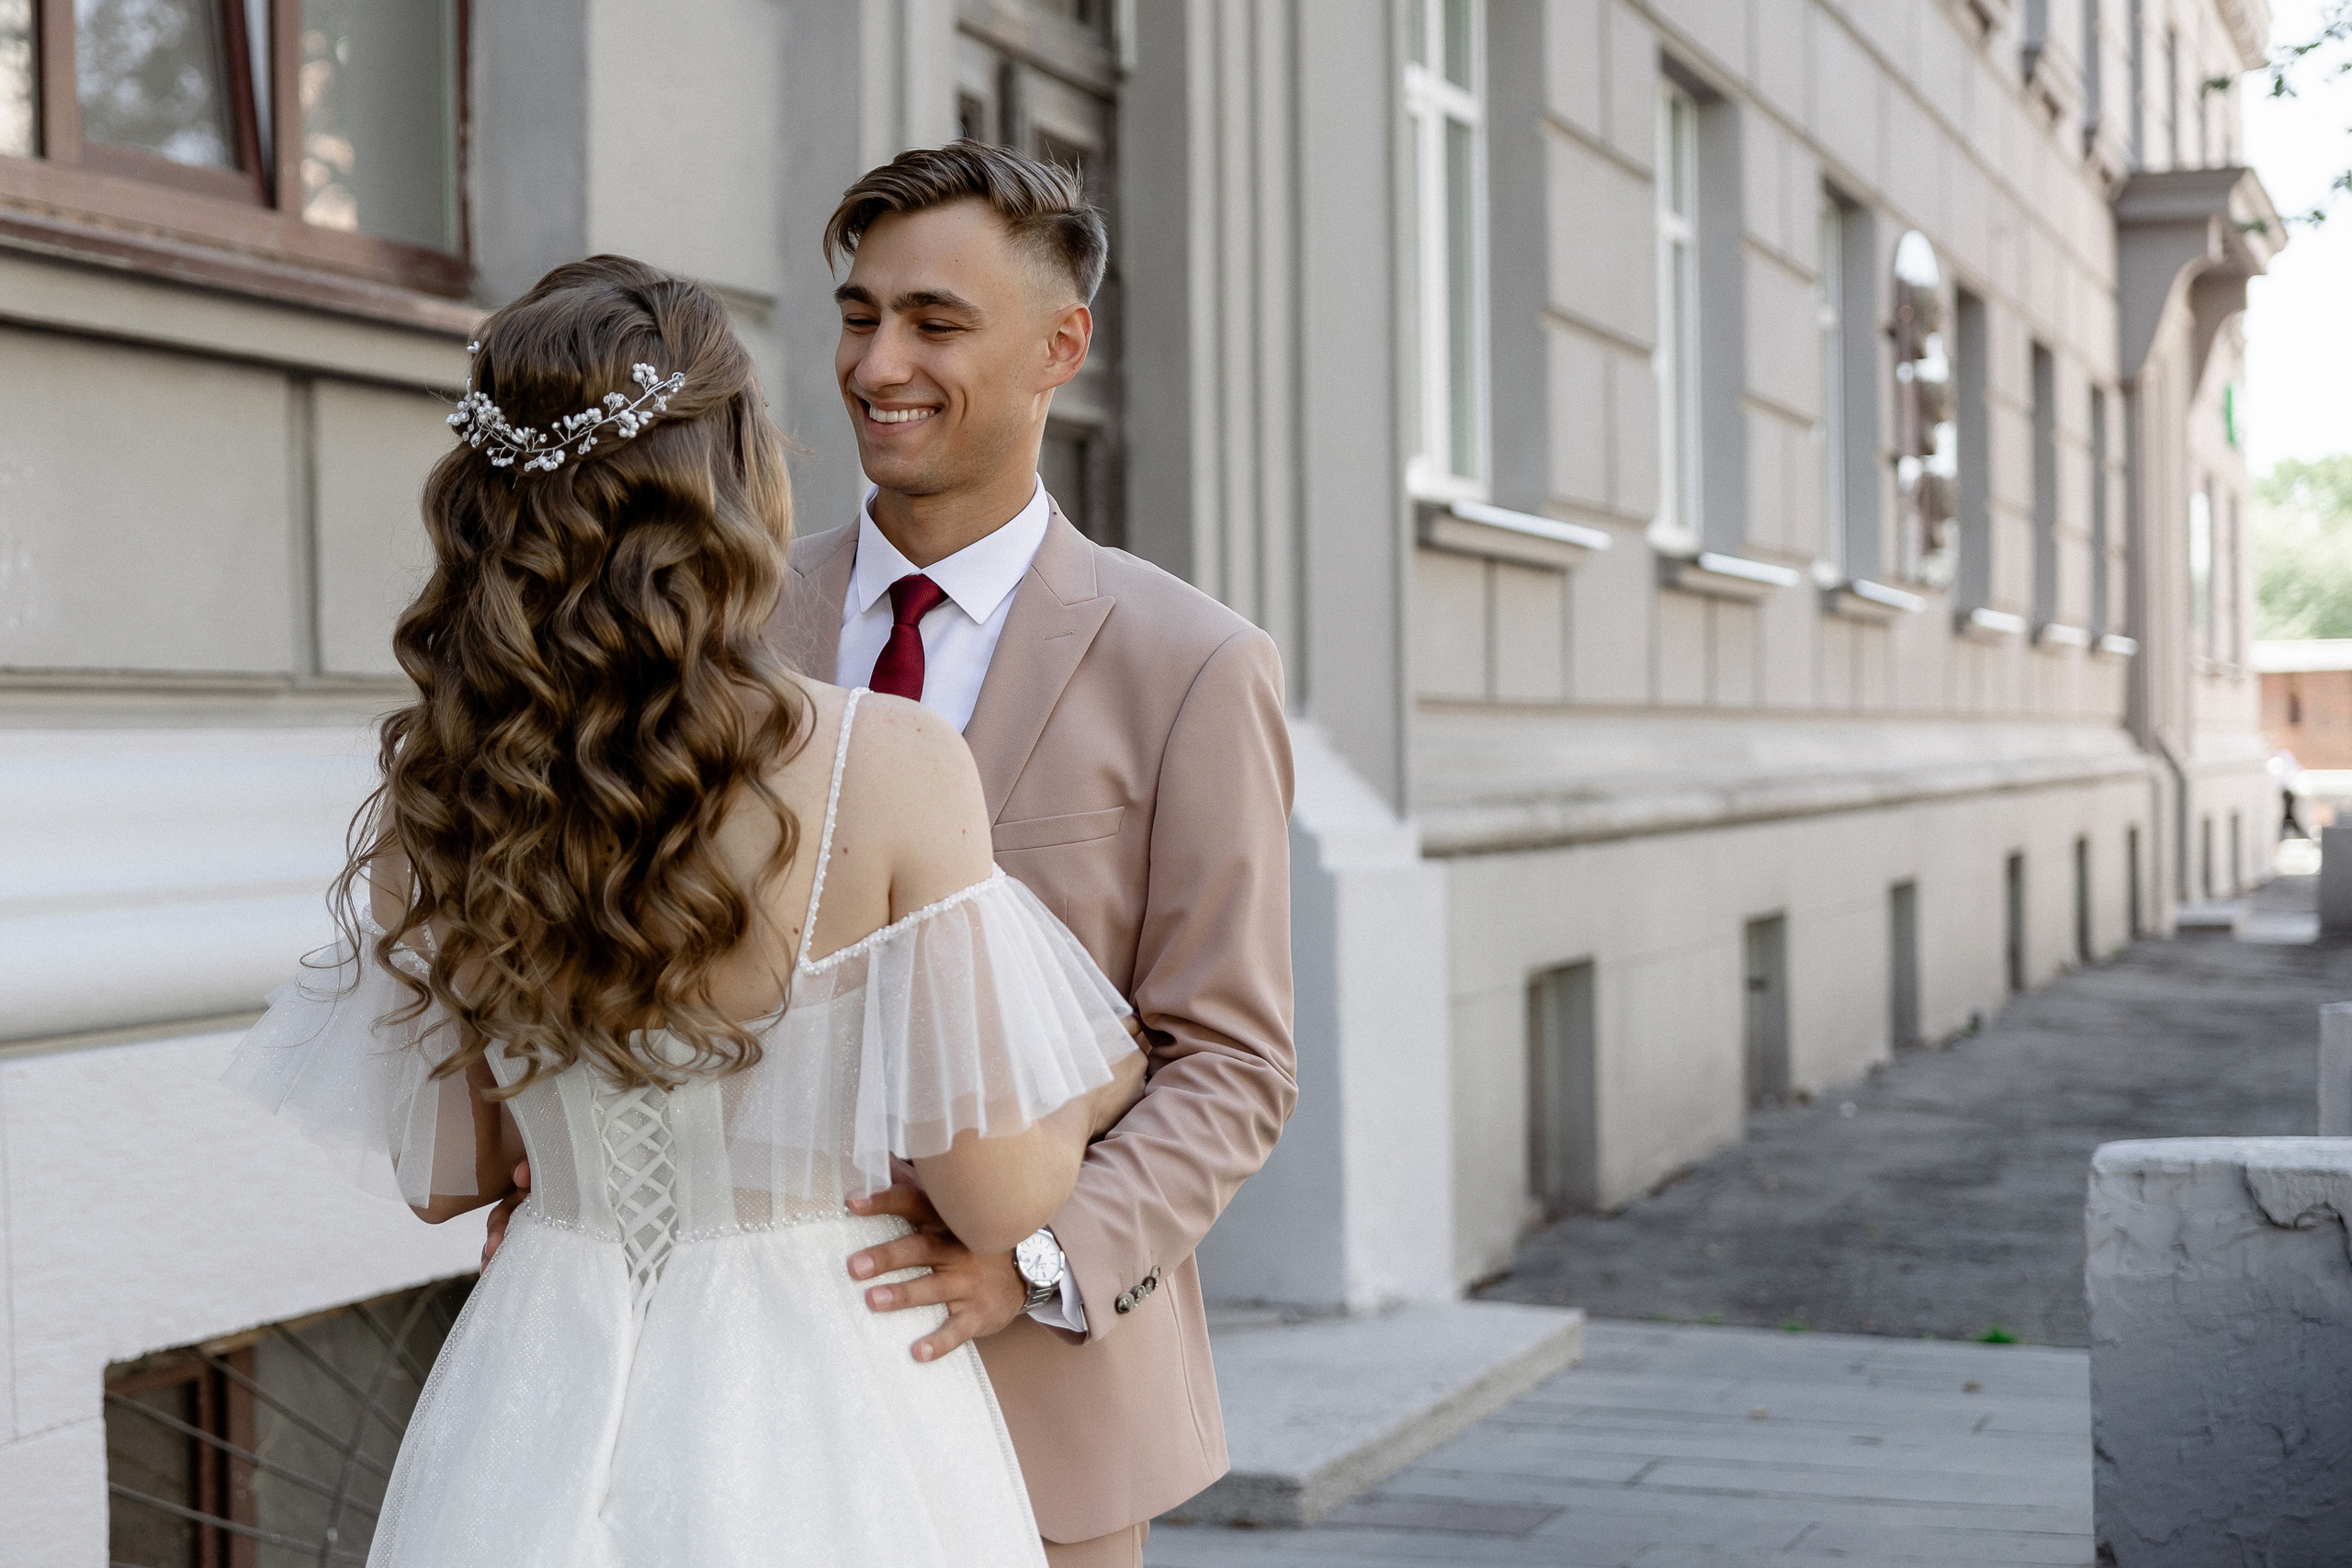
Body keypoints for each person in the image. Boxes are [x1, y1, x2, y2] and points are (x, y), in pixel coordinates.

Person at [224, 255, 1148, 1567]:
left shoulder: (442, 787)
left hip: (543, 1364)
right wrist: (1098, 1077)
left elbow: (449, 1178)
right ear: (731, 483)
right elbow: (997, 1198)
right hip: (821, 1384)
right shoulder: (886, 763)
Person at [488, 141, 1300, 1565]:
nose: (876, 366)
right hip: (735, 1406)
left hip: (1051, 1397)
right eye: (860, 316)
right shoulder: (708, 632)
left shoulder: (1194, 665)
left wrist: (1035, 1264)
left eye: (935, 322)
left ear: (1064, 347)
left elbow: (1232, 1059)